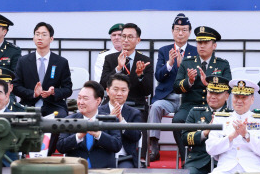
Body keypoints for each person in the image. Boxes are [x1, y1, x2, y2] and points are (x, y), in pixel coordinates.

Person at [173, 26, 231, 159]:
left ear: (214, 45)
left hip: (216, 106)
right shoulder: (187, 63)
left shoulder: (223, 64)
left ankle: (219, 156)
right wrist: (190, 81)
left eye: (206, 43)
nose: (202, 46)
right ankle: (185, 157)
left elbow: (229, 88)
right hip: (190, 105)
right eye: (199, 43)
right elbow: (176, 87)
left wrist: (210, 84)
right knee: (177, 120)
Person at [148, 13, 198, 162]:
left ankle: (190, 150)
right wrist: (169, 64)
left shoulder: (195, 52)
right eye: (177, 29)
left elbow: (196, 79)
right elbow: (158, 76)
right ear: (172, 31)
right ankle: (154, 146)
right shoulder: (164, 51)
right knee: (155, 107)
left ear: (189, 32)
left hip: (187, 99)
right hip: (168, 98)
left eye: (184, 29)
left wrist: (182, 66)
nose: (180, 33)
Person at [205, 79, 260, 174]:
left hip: (251, 170)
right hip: (224, 170)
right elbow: (210, 149)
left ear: (252, 99)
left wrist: (246, 135)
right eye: (236, 96)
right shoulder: (220, 118)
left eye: (243, 97)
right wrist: (231, 137)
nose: (239, 101)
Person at [13, 21, 73, 117]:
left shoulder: (61, 62)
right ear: (33, 38)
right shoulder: (23, 61)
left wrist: (54, 92)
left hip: (53, 105)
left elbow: (68, 89)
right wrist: (33, 93)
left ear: (51, 39)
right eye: (37, 34)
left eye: (44, 35)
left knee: (60, 117)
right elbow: (16, 87)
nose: (40, 37)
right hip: (28, 105)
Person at [57, 80, 122, 168]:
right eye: (79, 98)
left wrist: (98, 134)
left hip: (104, 171)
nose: (81, 102)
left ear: (98, 101)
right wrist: (78, 136)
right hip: (76, 170)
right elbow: (61, 147)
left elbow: (116, 145)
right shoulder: (69, 120)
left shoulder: (110, 119)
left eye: (85, 98)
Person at [182, 76, 231, 174]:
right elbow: (184, 138)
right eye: (210, 93)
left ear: (226, 96)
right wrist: (205, 132)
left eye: (217, 94)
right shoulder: (195, 112)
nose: (212, 96)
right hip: (198, 161)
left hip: (223, 162)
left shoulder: (231, 115)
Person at [99, 23, 153, 110]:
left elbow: (148, 91)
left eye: (130, 37)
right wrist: (118, 68)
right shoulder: (110, 58)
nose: (126, 40)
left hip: (136, 105)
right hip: (113, 103)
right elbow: (103, 84)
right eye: (123, 36)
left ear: (138, 40)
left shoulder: (145, 61)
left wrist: (140, 75)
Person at [99, 73, 142, 167]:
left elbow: (136, 136)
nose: (119, 93)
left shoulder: (134, 113)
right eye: (115, 89)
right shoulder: (98, 111)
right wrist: (110, 118)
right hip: (101, 156)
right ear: (107, 90)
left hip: (124, 158)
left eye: (123, 90)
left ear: (128, 92)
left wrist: (121, 120)